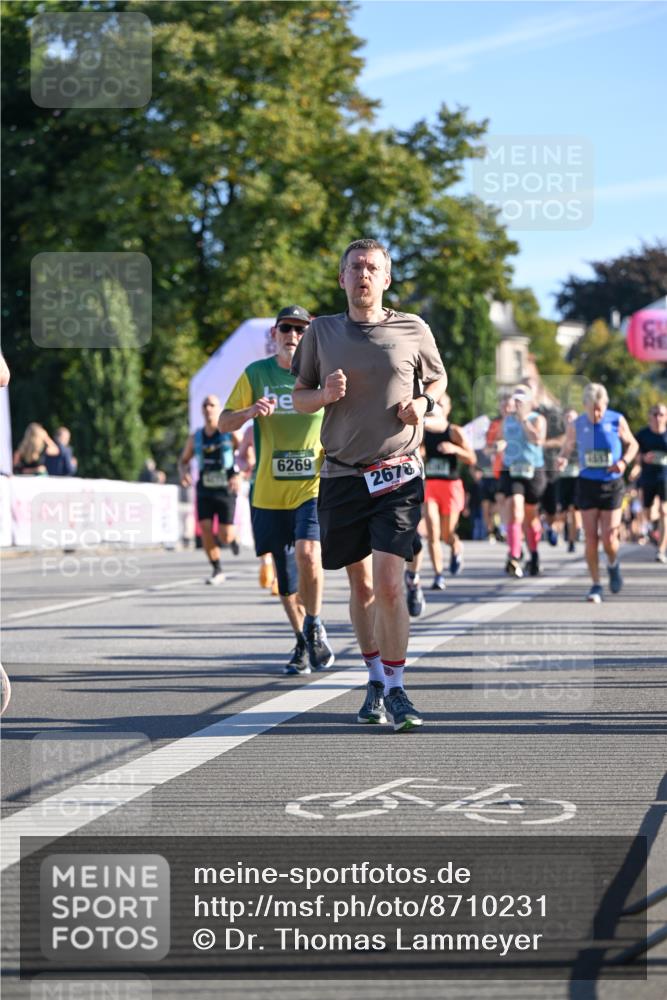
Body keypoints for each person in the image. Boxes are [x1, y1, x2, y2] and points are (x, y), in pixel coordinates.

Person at [292, 238, 447, 731]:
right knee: (360, 588)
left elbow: (439, 381)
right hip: (340, 472)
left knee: (389, 584)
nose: (362, 274)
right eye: (354, 267)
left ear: (386, 279)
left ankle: (399, 689)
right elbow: (299, 399)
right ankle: (374, 678)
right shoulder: (321, 331)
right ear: (341, 279)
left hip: (398, 471)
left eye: (372, 268)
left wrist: (423, 404)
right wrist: (323, 394)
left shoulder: (412, 328)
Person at [219, 305, 334, 674]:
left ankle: (314, 623)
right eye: (286, 328)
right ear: (274, 333)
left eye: (300, 330)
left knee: (309, 552)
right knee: (285, 582)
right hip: (267, 492)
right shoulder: (256, 374)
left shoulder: (323, 376)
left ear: (309, 334)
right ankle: (302, 641)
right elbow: (224, 423)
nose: (293, 336)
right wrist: (251, 411)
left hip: (311, 486)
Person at [557, 383, 638, 602]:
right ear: (584, 405)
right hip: (587, 484)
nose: (596, 413)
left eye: (600, 408)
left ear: (605, 405)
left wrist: (623, 462)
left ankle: (613, 564)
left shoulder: (616, 420)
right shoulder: (577, 424)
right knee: (591, 539)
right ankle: (595, 584)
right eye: (592, 408)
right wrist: (563, 457)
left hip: (611, 484)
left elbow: (633, 444)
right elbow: (568, 446)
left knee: (609, 538)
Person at [404, 391, 475, 606]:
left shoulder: (454, 431)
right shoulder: (424, 431)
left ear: (448, 408)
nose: (437, 407)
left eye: (442, 403)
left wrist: (454, 449)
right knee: (433, 532)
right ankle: (438, 575)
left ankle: (455, 548)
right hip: (432, 485)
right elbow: (419, 450)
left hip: (451, 487)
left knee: (446, 534)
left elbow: (472, 458)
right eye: (435, 403)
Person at [179, 396, 241, 585]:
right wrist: (184, 473)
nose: (208, 408)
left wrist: (238, 474)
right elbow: (183, 461)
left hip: (225, 489)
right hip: (205, 488)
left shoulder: (230, 434)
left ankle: (232, 538)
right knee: (205, 530)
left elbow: (245, 453)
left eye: (211, 405)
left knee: (225, 535)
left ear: (219, 408)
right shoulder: (195, 437)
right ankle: (216, 568)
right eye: (204, 405)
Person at [497, 384, 547, 578]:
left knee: (530, 517)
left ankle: (534, 554)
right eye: (515, 399)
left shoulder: (537, 419)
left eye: (521, 400)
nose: (517, 403)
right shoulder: (507, 420)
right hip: (512, 470)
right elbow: (501, 439)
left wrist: (524, 420)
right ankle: (514, 554)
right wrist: (497, 447)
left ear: (528, 402)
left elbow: (537, 440)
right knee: (515, 510)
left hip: (533, 470)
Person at [633, 402, 667, 563]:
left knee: (664, 511)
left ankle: (660, 551)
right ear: (649, 416)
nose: (658, 418)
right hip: (648, 477)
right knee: (648, 512)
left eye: (661, 414)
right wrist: (639, 463)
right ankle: (654, 527)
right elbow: (636, 455)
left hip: (665, 477)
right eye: (655, 414)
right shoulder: (642, 435)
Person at [558, 408, 583, 554]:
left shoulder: (582, 438)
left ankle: (573, 539)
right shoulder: (560, 439)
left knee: (574, 509)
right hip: (561, 479)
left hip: (578, 477)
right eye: (567, 418)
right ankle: (558, 533)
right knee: (562, 511)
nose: (570, 421)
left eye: (573, 418)